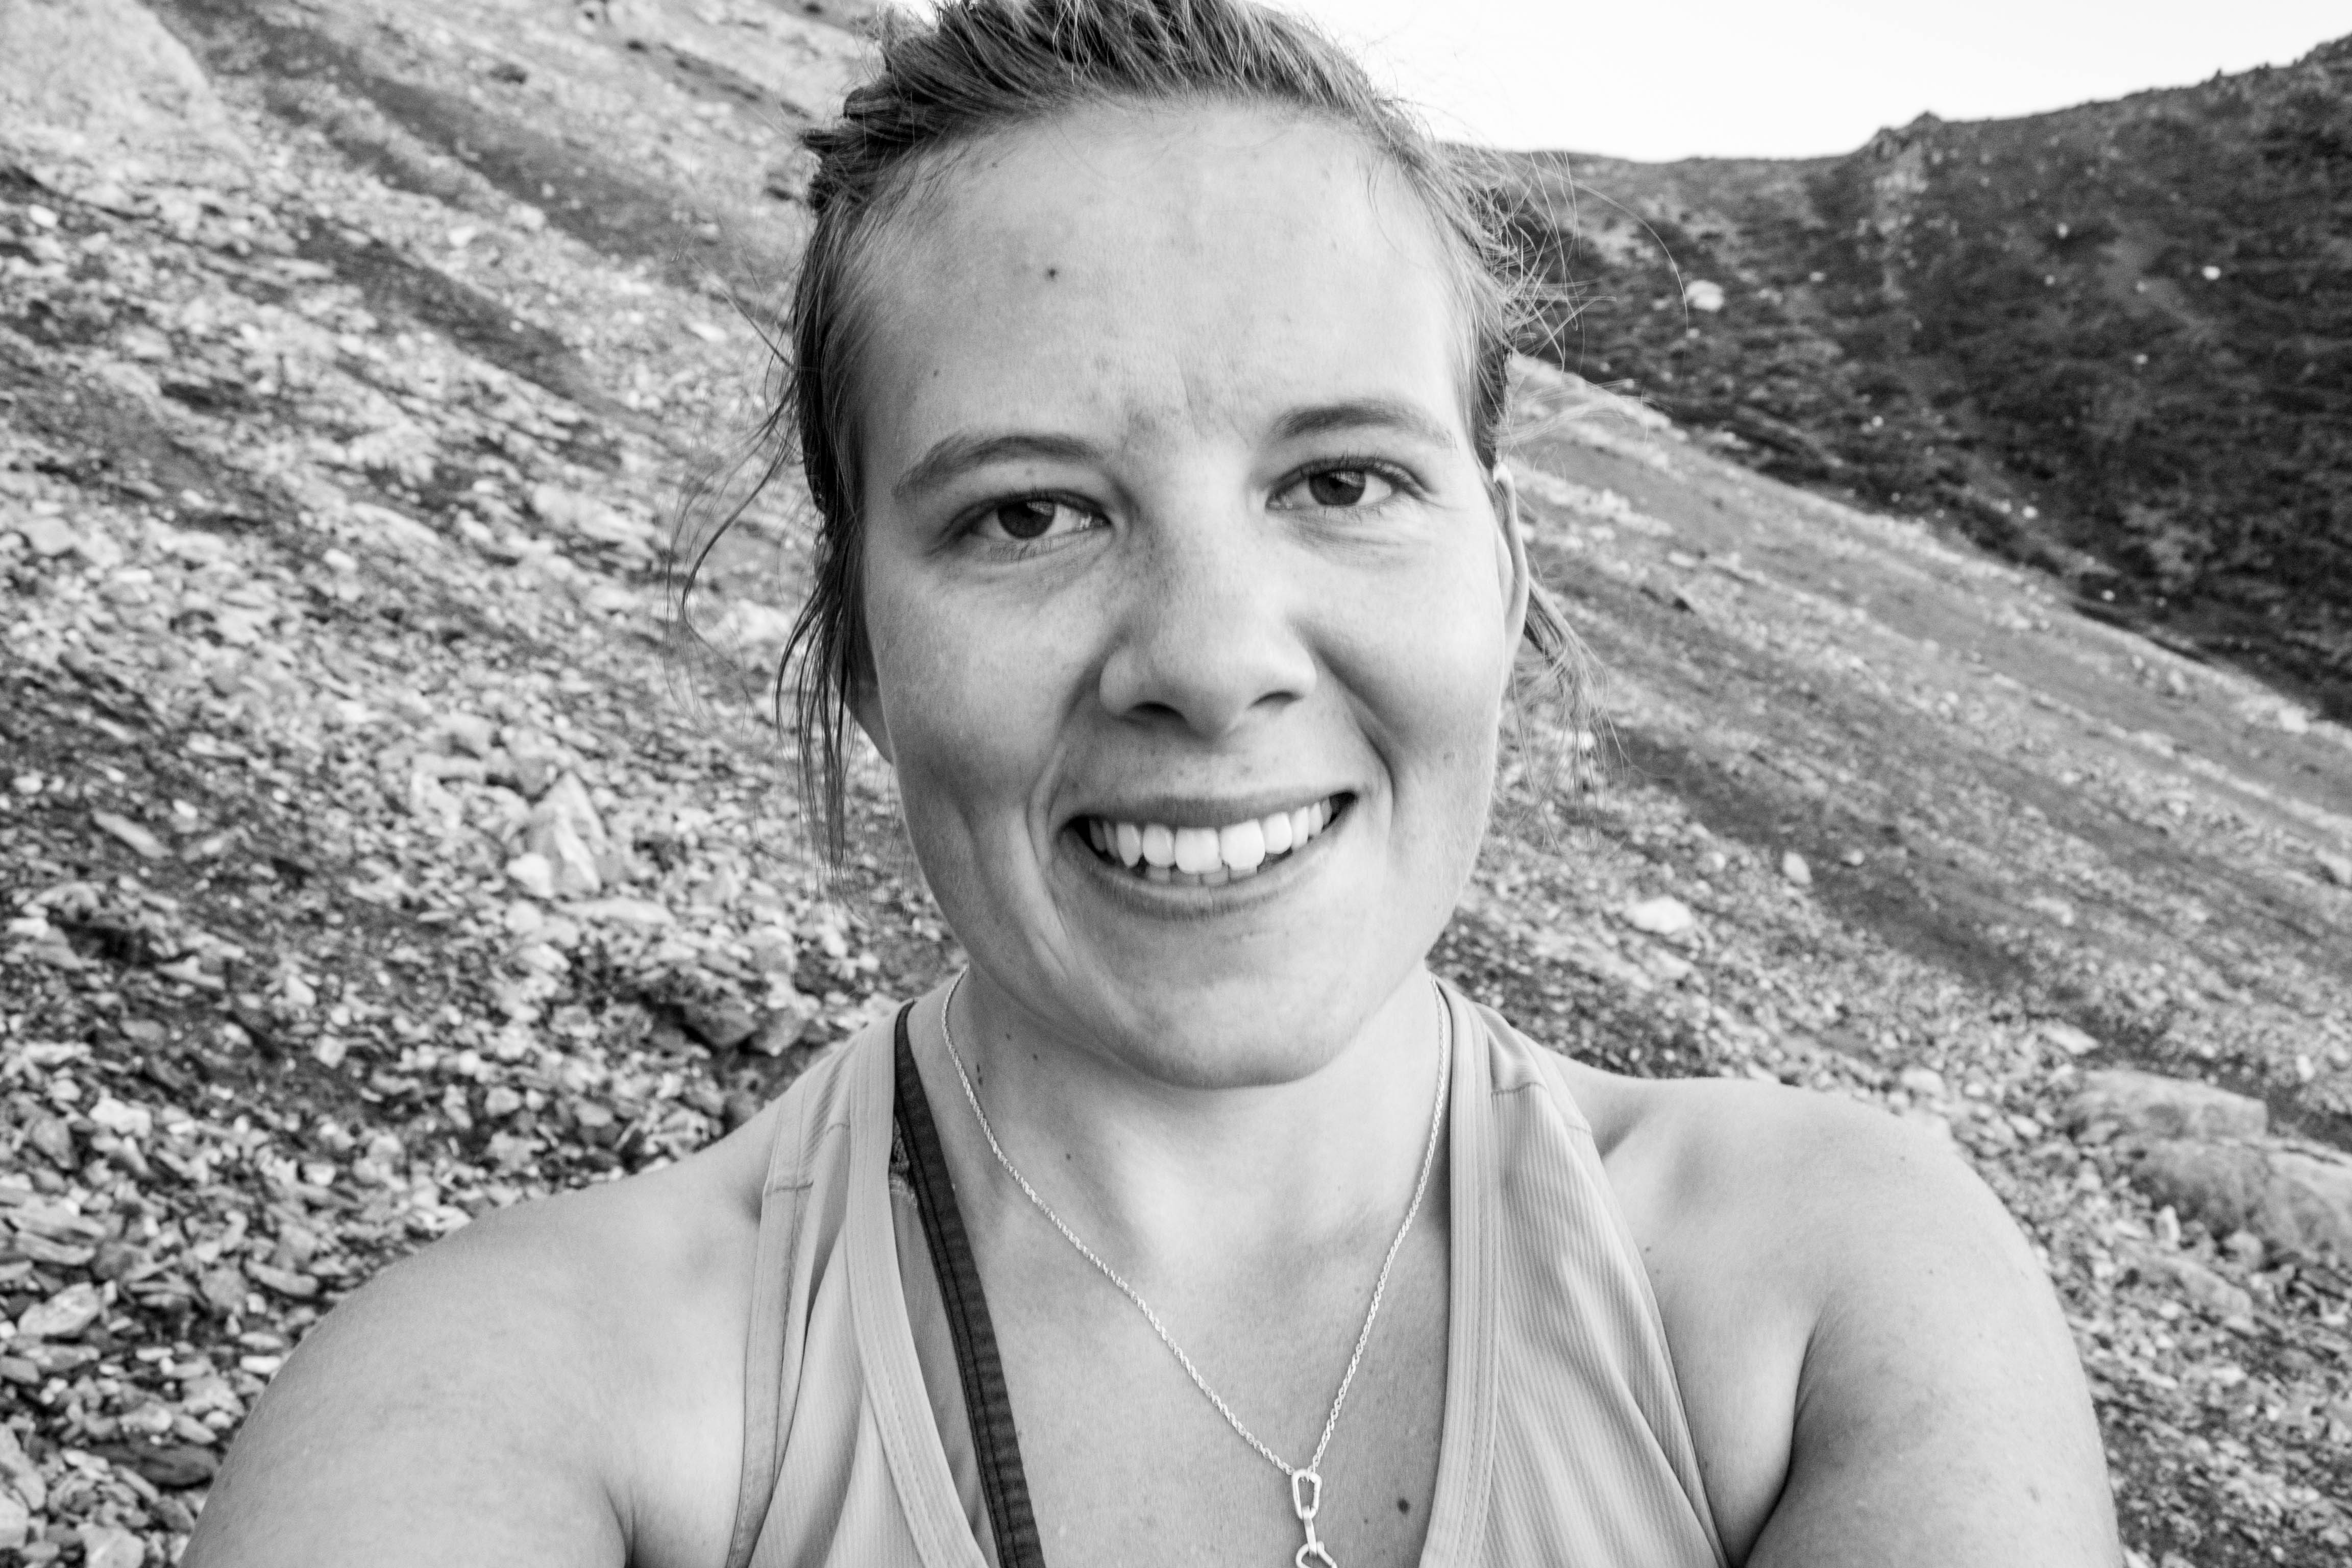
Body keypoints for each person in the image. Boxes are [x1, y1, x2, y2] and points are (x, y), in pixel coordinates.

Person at [186, 2, 2120, 1563]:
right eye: (1028, 512)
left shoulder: (1836, 1285)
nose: (1209, 658)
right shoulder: (523, 1394)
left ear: (1505, 575)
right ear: (861, 653)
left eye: (1342, 481)